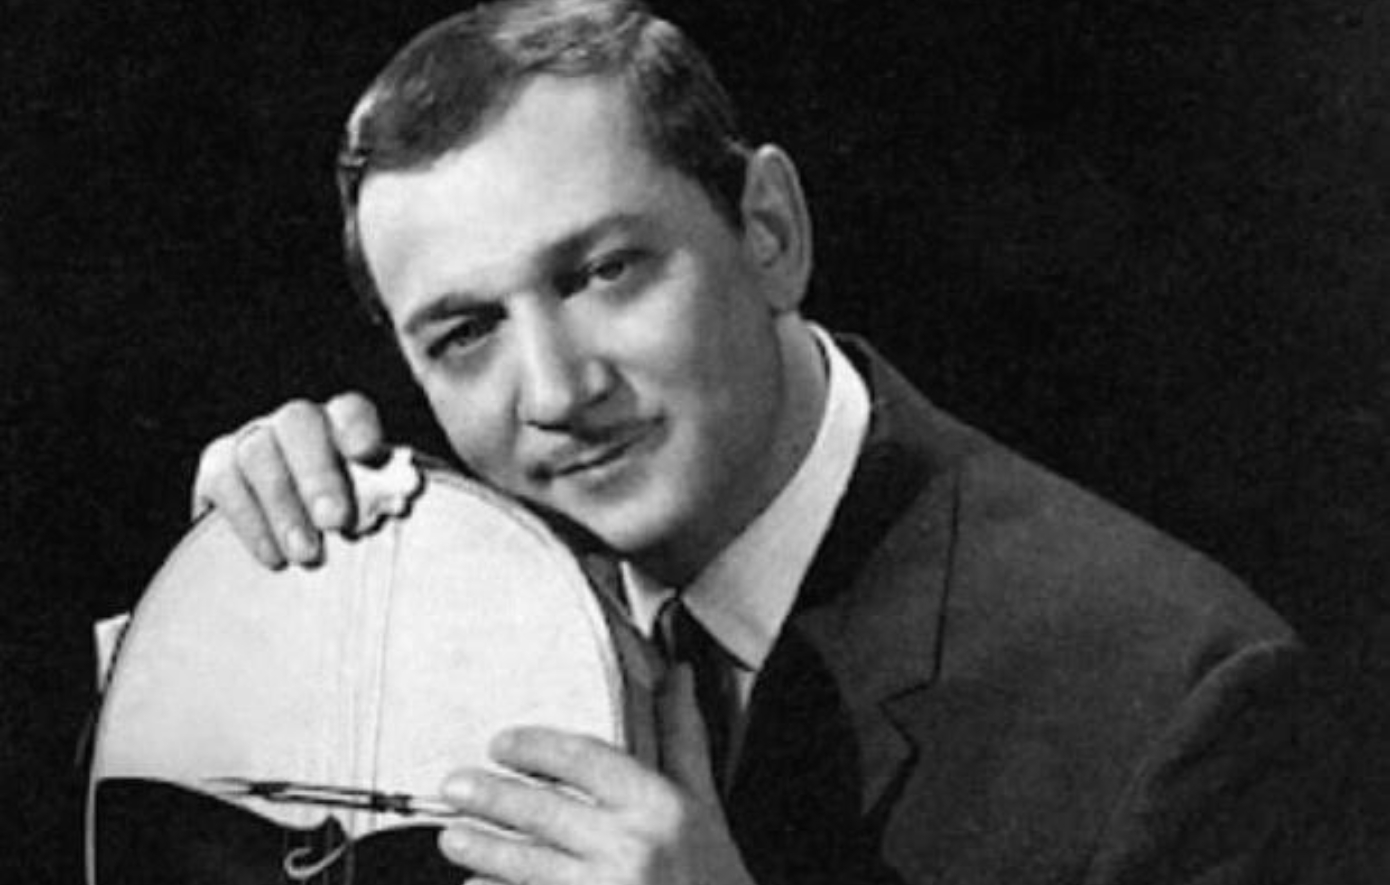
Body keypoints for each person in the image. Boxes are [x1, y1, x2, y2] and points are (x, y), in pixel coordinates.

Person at [190, 1, 1333, 882]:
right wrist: (232, 601)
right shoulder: (424, 593)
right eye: (465, 333)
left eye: (604, 271)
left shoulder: (1176, 696)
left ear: (769, 231)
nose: (555, 391)